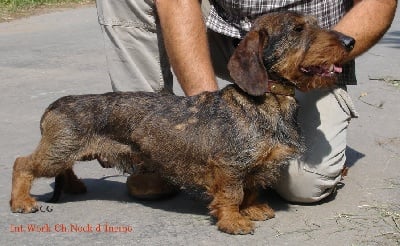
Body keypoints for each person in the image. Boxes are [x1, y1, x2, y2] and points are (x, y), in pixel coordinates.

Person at [95, 0, 397, 203]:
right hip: (220, 33)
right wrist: (211, 129)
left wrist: (325, 53)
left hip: (308, 46)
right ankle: (150, 152)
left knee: (305, 185)